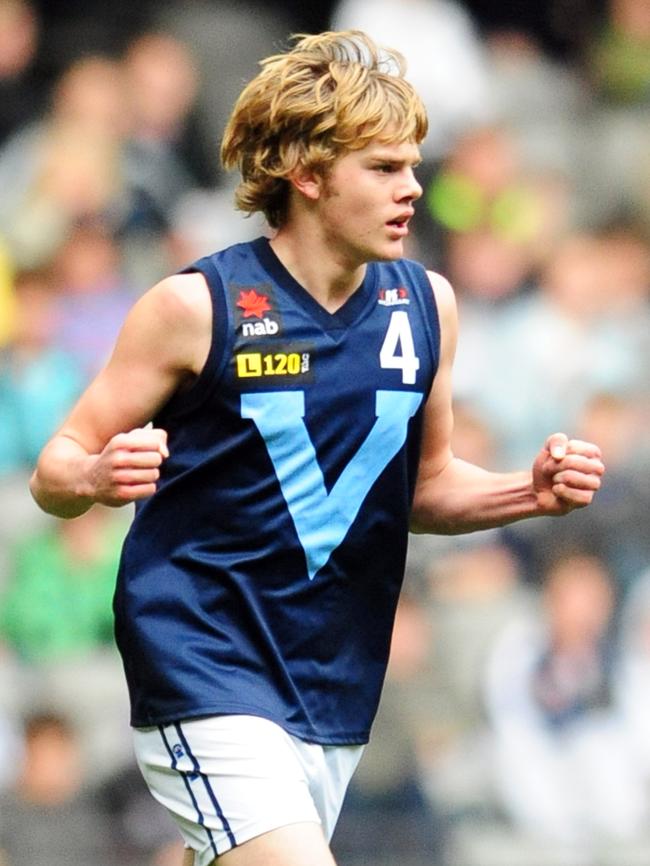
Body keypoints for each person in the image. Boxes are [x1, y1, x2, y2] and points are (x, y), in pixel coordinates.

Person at [29, 30, 605, 866]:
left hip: (332, 681)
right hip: (204, 659)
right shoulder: (197, 307)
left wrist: (530, 490)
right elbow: (55, 469)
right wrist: (91, 472)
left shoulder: (426, 306)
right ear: (306, 174)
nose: (413, 190)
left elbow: (425, 488)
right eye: (383, 169)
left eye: (412, 165)